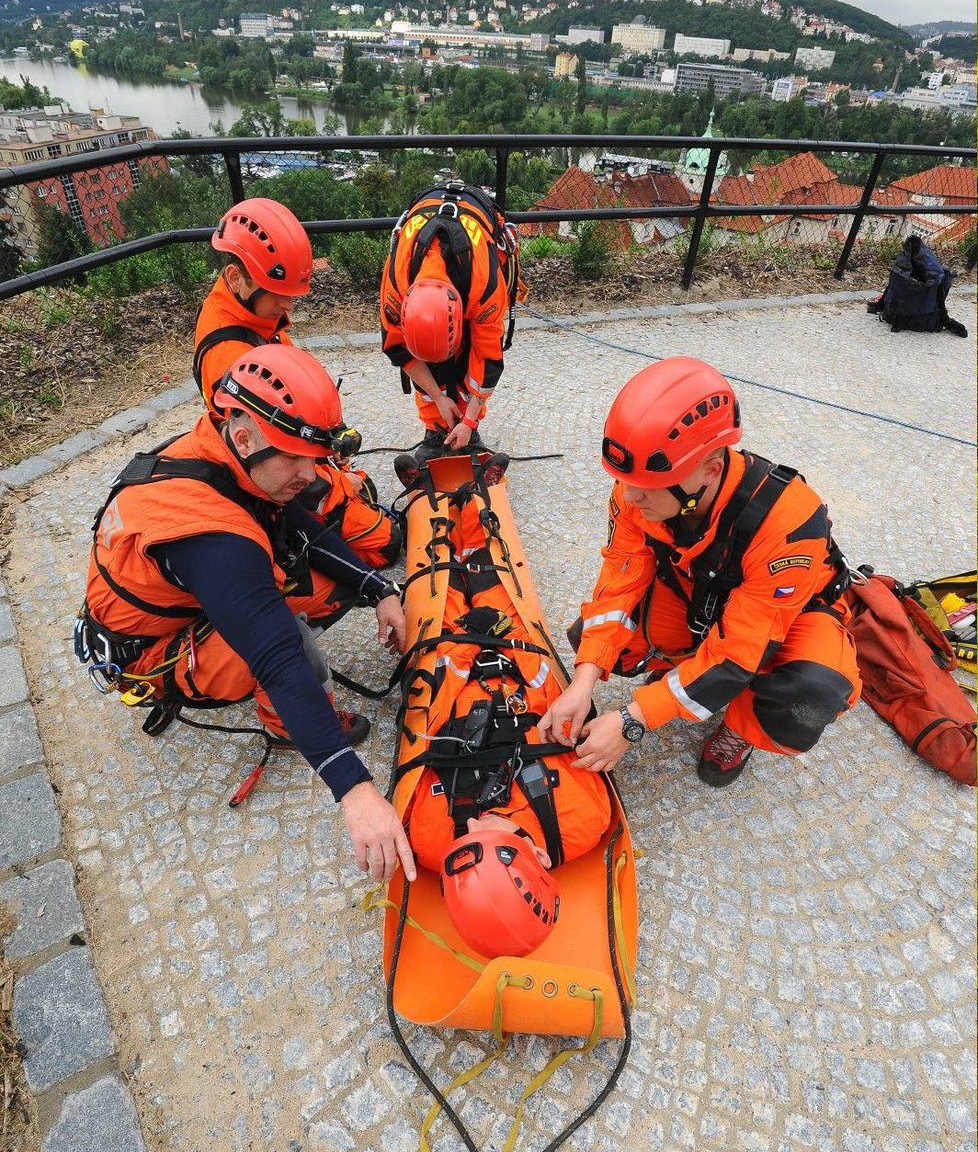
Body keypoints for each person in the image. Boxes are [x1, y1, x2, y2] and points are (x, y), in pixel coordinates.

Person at [77, 344, 416, 885]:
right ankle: (286, 726)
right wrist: (355, 789)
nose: (311, 473)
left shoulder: (231, 456)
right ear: (244, 437)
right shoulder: (212, 537)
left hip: (179, 606)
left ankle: (280, 671)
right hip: (147, 657)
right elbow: (278, 656)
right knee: (278, 643)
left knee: (326, 588)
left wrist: (380, 589)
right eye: (296, 458)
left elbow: (299, 523)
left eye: (317, 455)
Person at [539, 356, 861, 787]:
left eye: (646, 488)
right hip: (700, 592)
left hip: (789, 618)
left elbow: (742, 649)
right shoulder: (641, 487)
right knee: (595, 640)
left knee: (811, 694)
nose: (629, 497)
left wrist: (635, 720)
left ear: (709, 469)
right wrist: (583, 681)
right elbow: (619, 583)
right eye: (625, 480)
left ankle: (739, 729)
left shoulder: (788, 521)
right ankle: (687, 681)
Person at [398, 480, 611, 955]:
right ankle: (478, 497)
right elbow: (559, 718)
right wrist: (510, 652)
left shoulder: (431, 840)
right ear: (538, 855)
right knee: (495, 587)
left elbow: (424, 729)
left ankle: (425, 499)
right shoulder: (583, 819)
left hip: (449, 673)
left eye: (467, 838)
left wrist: (457, 652)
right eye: (491, 832)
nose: (473, 825)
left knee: (440, 592)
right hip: (519, 669)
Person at [195, 195, 400, 574]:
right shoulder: (231, 355)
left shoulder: (252, 320)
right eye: (281, 297)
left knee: (360, 490)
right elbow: (275, 458)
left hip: (296, 456)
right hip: (282, 476)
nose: (289, 308)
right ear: (238, 279)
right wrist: (335, 487)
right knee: (386, 545)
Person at [379, 181, 523, 462]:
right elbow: (398, 350)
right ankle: (436, 428)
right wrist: (439, 397)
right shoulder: (396, 287)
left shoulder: (486, 288)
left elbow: (487, 359)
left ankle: (468, 429)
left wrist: (469, 420)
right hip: (430, 242)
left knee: (471, 357)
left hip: (472, 263)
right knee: (430, 366)